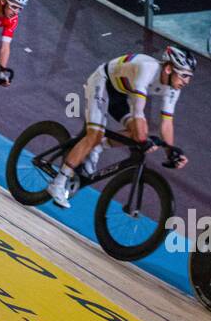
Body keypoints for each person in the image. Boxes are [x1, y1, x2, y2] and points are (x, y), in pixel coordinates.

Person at [46, 47, 195, 210]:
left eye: (189, 77)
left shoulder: (174, 89)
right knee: (96, 134)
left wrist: (170, 151)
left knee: (138, 134)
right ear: (168, 68)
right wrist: (145, 140)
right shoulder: (147, 69)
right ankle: (58, 183)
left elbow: (166, 123)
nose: (186, 81)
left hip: (123, 93)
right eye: (184, 75)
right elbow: (138, 112)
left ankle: (96, 148)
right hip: (103, 83)